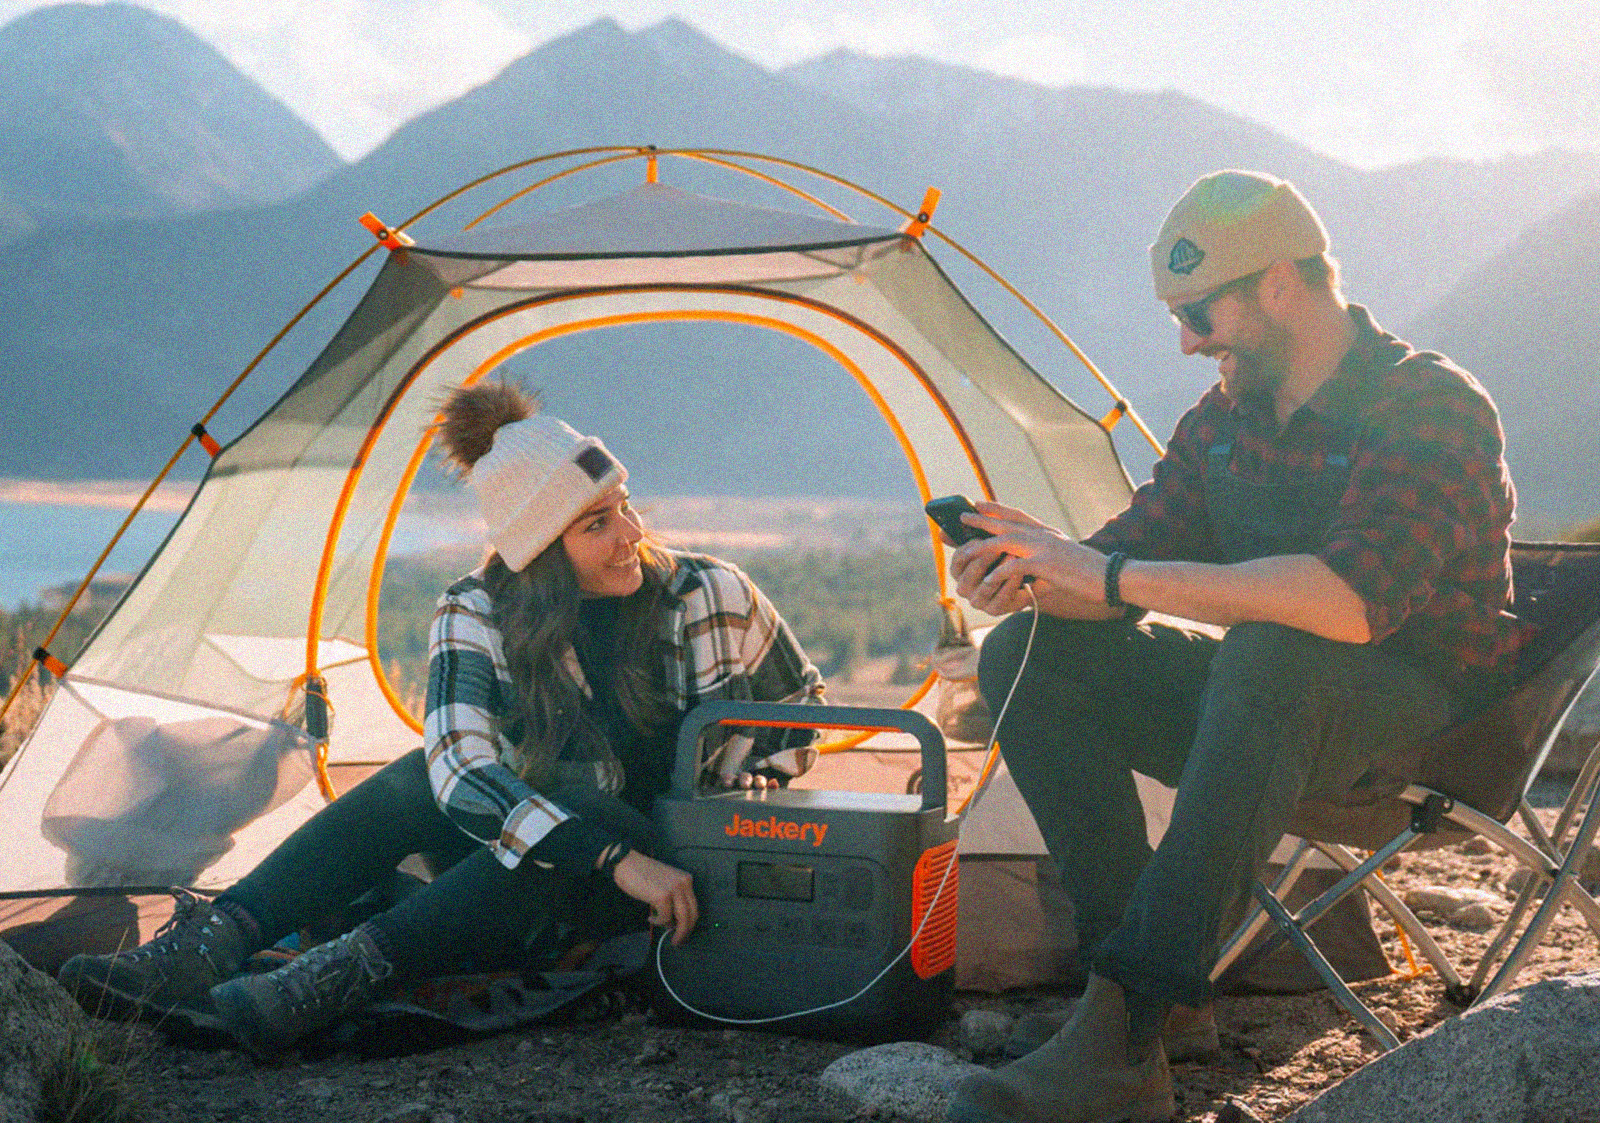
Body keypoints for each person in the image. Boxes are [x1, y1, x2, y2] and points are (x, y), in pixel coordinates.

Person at [943, 171, 1521, 1123]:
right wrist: (1042, 570)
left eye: (1200, 311)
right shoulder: (1224, 420)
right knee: (1027, 653)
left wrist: (1115, 578)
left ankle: (1124, 1035)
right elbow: (1124, 565)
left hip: (1426, 735)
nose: (1187, 341)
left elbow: (1351, 602)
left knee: (1272, 648)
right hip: (1270, 719)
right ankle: (1126, 999)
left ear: (1282, 284)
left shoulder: (1428, 405)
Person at [60, 379, 823, 1051]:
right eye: (596, 524)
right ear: (539, 554)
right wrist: (608, 854)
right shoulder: (479, 607)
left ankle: (333, 979)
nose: (632, 534)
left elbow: (803, 708)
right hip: (550, 862)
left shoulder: (709, 595)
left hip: (666, 883)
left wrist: (752, 776)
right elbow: (459, 773)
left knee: (569, 810)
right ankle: (213, 943)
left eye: (624, 506)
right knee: (420, 780)